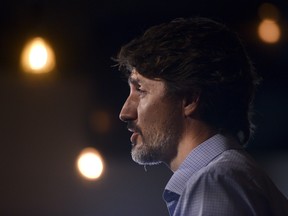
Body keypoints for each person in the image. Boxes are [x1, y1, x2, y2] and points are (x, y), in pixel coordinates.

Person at [116, 17, 288, 215]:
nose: (125, 113)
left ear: (189, 99)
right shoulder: (227, 177)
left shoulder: (214, 181)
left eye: (140, 90)